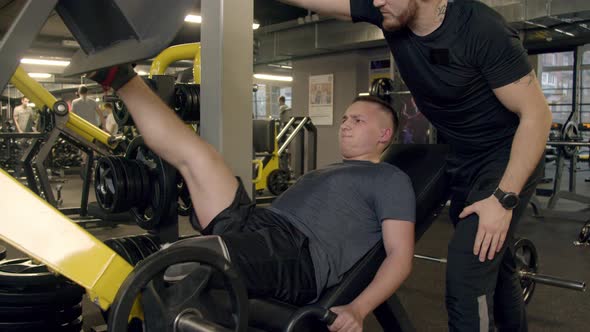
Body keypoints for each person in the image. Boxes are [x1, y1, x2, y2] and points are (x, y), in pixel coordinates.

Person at [279, 0, 553, 331]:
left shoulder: (481, 27)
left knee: (467, 269)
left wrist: (504, 198)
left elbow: (537, 116)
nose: (375, 1)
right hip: (461, 157)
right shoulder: (386, 9)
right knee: (496, 256)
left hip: (507, 157)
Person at [87, 65, 415, 331]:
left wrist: (359, 308)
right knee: (197, 156)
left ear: (383, 135)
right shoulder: (332, 169)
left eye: (357, 121)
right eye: (345, 118)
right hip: (260, 221)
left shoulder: (389, 178)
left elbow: (400, 255)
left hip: (298, 254)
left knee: (183, 259)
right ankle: (120, 77)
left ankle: (126, 300)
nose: (345, 125)